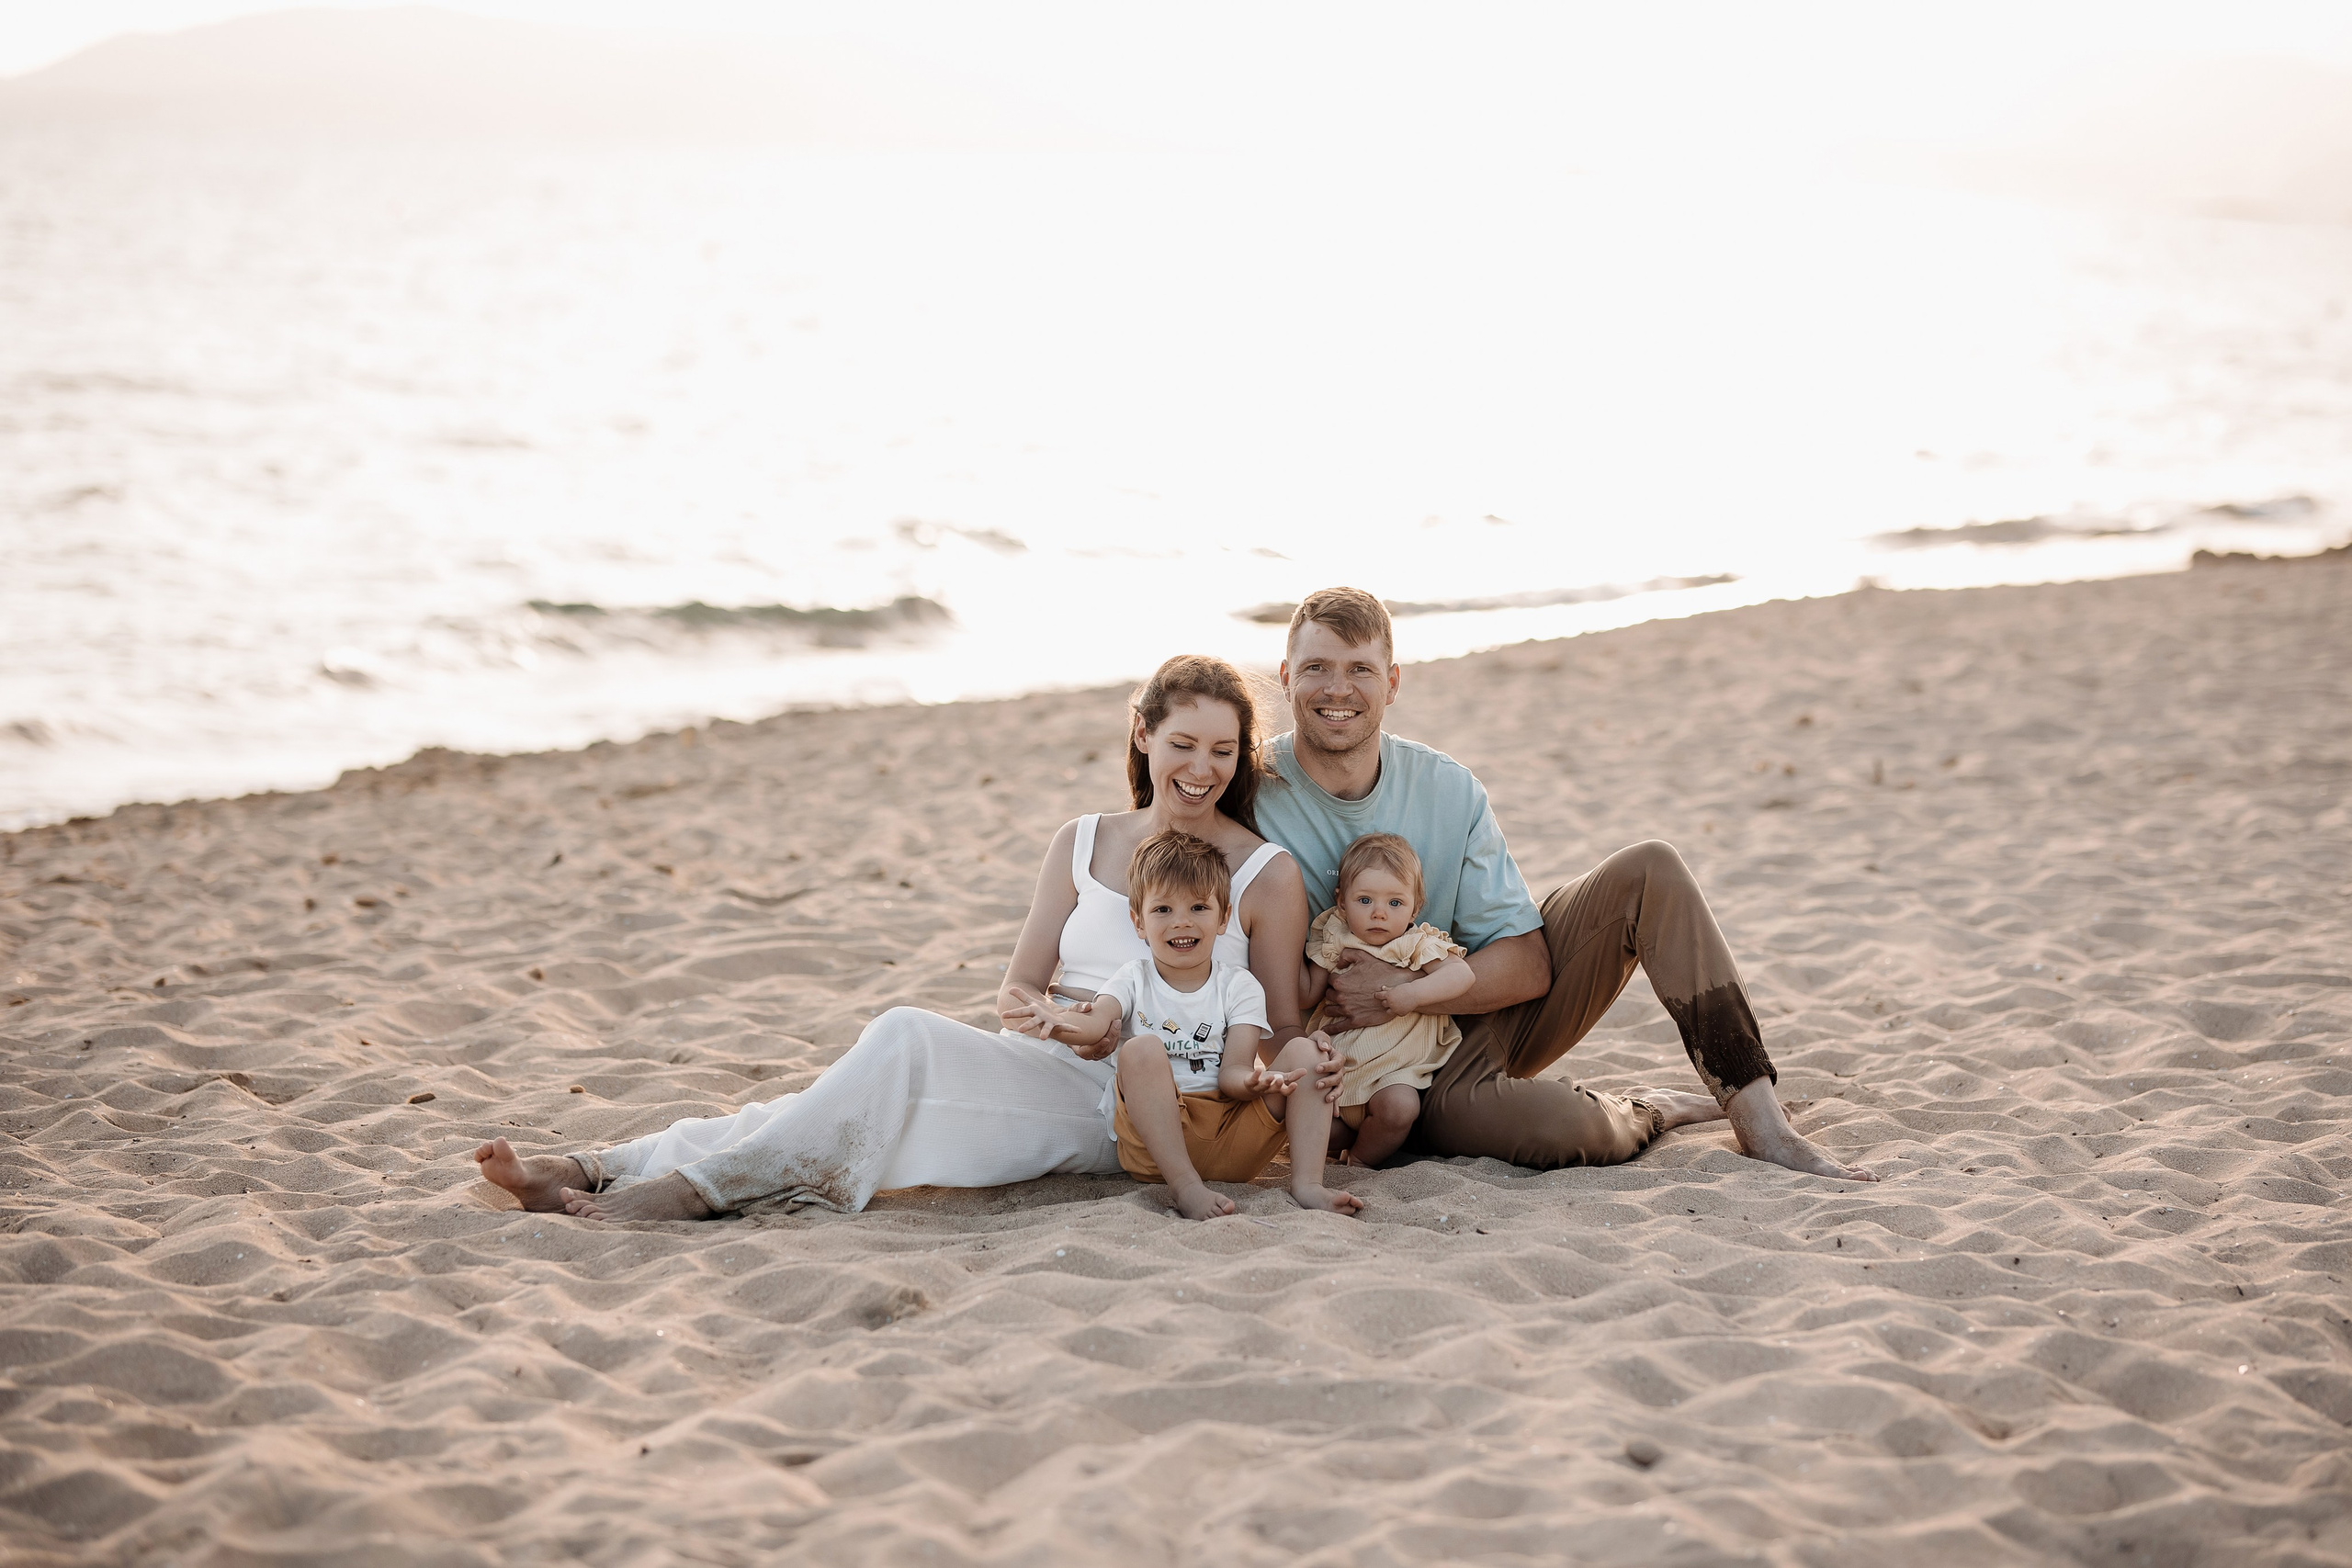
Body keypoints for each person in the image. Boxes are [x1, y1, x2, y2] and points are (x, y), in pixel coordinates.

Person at [472, 653, 1320, 1220]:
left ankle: (687, 1195)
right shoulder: (1083, 837)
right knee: (828, 1108)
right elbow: (1017, 984)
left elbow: (1278, 1026)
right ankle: (592, 1166)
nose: (1201, 769)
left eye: (1222, 749)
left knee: (904, 1037)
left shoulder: (1263, 873)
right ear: (1143, 732)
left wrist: (1247, 1067)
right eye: (1182, 743)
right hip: (1047, 1063)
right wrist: (1050, 1019)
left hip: (1149, 1108)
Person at [1253, 586, 1877, 1181]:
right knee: (1566, 1129)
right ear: (1285, 677)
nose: (1338, 689)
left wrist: (1404, 988)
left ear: (1392, 682)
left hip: (1455, 1027)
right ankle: (1655, 1107)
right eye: (1316, 668)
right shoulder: (1251, 793)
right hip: (1350, 1079)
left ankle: (1764, 1125)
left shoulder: (1447, 788)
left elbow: (1528, 963)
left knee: (1652, 868)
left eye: (1360, 669)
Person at [1018, 829, 1360, 1220]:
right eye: (1163, 910)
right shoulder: (1132, 978)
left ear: (1223, 917)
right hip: (1158, 1145)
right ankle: (1186, 1188)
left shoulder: (1240, 986)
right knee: (1140, 1049)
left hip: (1232, 1137)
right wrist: (1056, 1022)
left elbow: (1232, 1072)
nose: (1182, 923)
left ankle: (1308, 1184)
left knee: (1308, 1050)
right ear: (1138, 922)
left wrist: (1254, 1082)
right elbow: (1096, 1024)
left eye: (1198, 908)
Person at [1300, 832, 1474, 1168]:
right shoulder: (1335, 935)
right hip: (1339, 1071)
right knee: (1309, 1121)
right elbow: (1307, 991)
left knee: (1399, 1110)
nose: (1379, 913)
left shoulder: (1415, 944)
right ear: (1342, 902)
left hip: (1392, 1076)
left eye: (1395, 903)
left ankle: (1361, 1162)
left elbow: (1461, 975)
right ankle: (1343, 1146)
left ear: (1415, 907)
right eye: (1365, 900)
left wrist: (1413, 993)